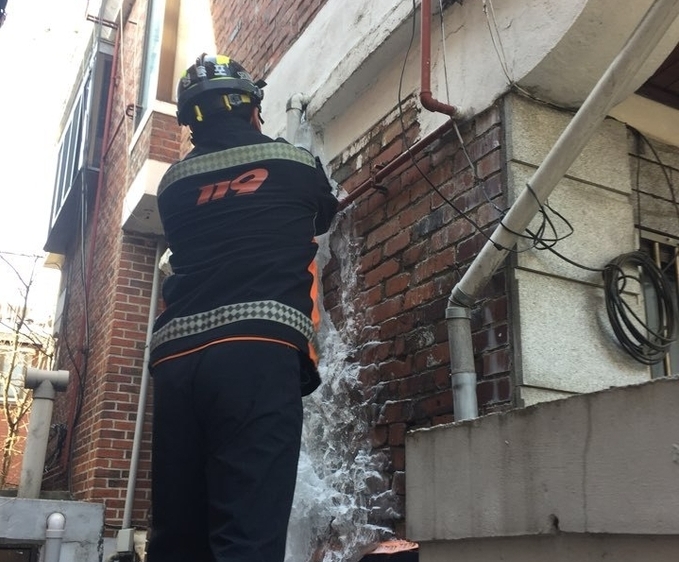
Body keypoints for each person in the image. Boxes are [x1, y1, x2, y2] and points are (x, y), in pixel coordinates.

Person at [146, 53, 338, 562]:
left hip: (176, 363)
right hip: (256, 351)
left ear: (190, 123)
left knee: (176, 537)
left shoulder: (173, 184)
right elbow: (324, 212)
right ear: (253, 108)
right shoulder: (295, 164)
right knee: (247, 534)